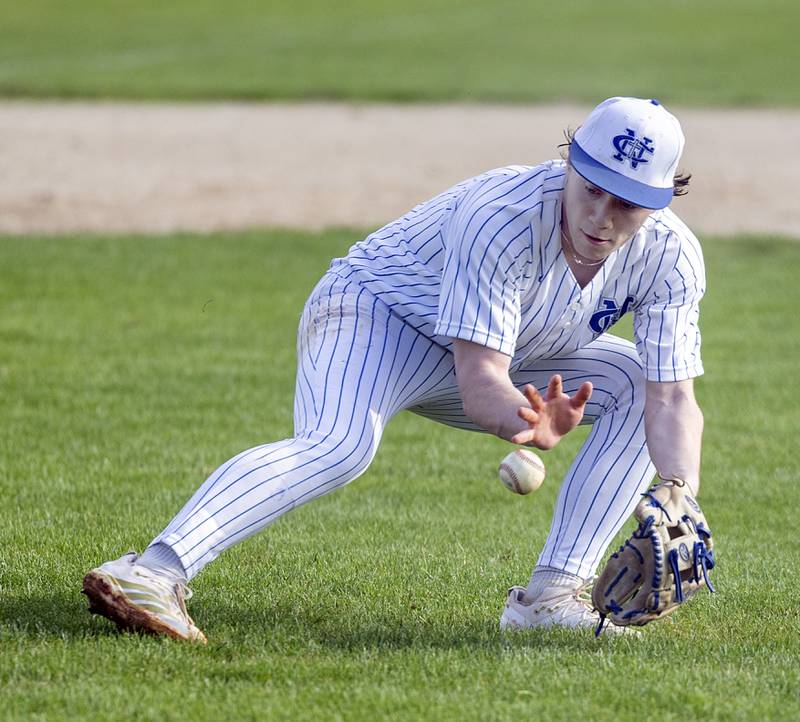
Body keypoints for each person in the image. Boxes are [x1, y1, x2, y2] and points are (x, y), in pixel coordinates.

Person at [83, 97, 706, 642]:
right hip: (376, 315)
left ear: (659, 200)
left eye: (624, 203)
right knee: (339, 446)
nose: (600, 216)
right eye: (590, 186)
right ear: (569, 163)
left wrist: (680, 492)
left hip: (508, 352)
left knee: (630, 380)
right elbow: (482, 377)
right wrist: (528, 418)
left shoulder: (671, 258)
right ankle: (152, 571)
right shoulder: (504, 217)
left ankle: (551, 599)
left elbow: (673, 398)